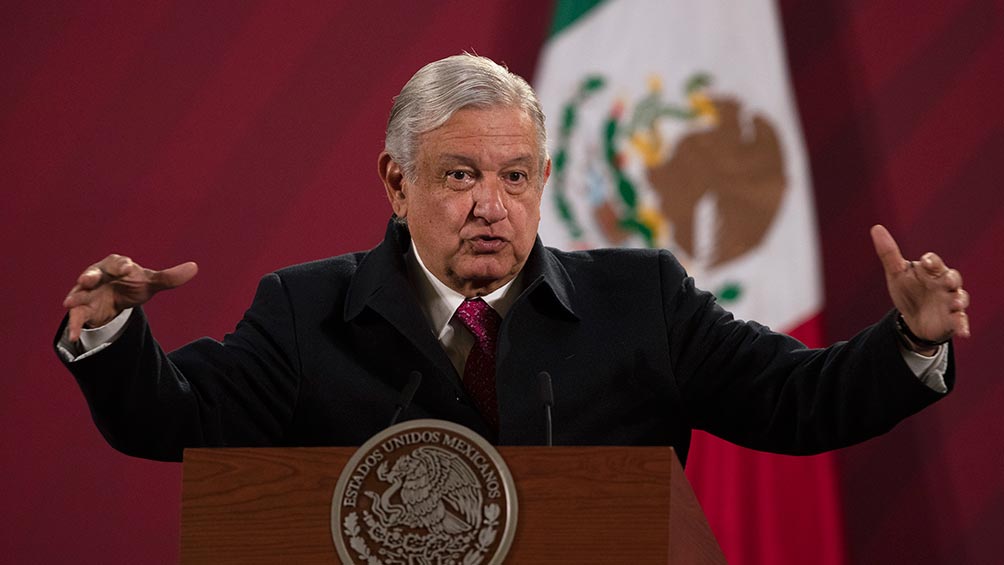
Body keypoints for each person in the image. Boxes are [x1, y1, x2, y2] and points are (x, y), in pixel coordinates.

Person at [56, 54, 970, 463]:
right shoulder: (305, 309)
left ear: (542, 179)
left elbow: (794, 402)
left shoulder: (638, 297)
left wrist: (909, 343)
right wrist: (114, 334)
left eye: (516, 175)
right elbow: (174, 422)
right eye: (458, 175)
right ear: (395, 181)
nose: (491, 203)